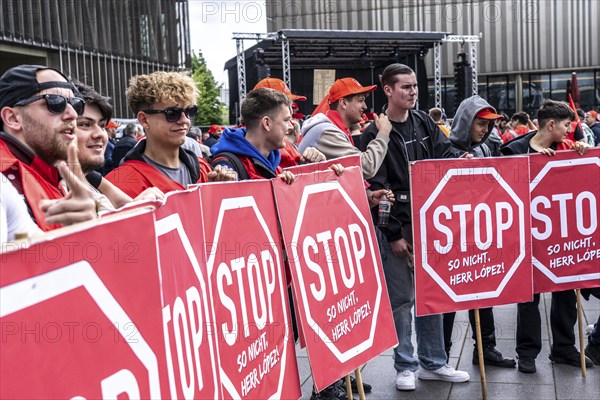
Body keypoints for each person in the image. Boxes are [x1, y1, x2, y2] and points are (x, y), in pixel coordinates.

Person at [360, 63, 471, 392]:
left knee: (431, 295)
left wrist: (461, 159)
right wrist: (392, 233)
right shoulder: (374, 133)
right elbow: (376, 188)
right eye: (405, 87)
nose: (412, 92)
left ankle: (433, 362)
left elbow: (444, 153)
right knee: (403, 300)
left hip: (430, 224)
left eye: (414, 87)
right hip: (398, 223)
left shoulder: (424, 121)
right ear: (388, 90)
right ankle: (405, 365)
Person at [500, 99, 592, 373]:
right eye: (566, 125)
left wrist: (583, 155)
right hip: (526, 233)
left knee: (565, 288)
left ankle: (563, 348)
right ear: (550, 124)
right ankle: (527, 353)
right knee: (529, 293)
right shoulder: (513, 150)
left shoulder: (566, 149)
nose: (569, 131)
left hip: (558, 233)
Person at [442, 95, 516, 368]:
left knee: (484, 292)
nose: (485, 129)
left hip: (481, 233)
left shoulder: (486, 149)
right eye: (480, 123)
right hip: (452, 235)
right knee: (447, 299)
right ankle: (442, 355)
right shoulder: (445, 148)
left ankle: (486, 348)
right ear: (466, 121)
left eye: (488, 124)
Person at [106, 71, 236, 197]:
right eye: (172, 113)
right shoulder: (118, 185)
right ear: (144, 120)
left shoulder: (204, 169)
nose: (185, 120)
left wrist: (220, 192)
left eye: (190, 111)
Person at [0, 64, 97, 231]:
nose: (73, 114)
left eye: (75, 104)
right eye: (55, 102)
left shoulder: (54, 173)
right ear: (13, 119)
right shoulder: (5, 179)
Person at [73, 81, 164, 209]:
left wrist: (138, 205)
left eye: (102, 126)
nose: (100, 134)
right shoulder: (54, 189)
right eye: (85, 124)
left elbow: (125, 204)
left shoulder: (90, 176)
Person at [299, 77, 392, 179]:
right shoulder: (327, 132)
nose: (365, 106)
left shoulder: (331, 128)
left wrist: (369, 194)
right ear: (343, 103)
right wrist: (383, 133)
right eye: (361, 100)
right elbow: (366, 166)